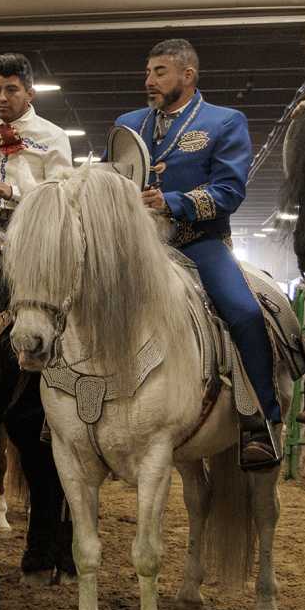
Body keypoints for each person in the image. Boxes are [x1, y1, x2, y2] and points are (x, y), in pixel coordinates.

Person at [116, 38, 281, 470]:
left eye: (159, 72)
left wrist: (172, 202)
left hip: (199, 242)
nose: (149, 80)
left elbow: (230, 190)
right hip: (138, 246)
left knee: (244, 311)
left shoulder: (224, 122)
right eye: (148, 71)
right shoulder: (128, 124)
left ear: (187, 76)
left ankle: (259, 422)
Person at [0, 52, 73, 215]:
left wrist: (12, 192)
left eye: (11, 90)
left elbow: (61, 195)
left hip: (27, 232)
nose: (2, 98)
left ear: (30, 94)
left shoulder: (53, 136)